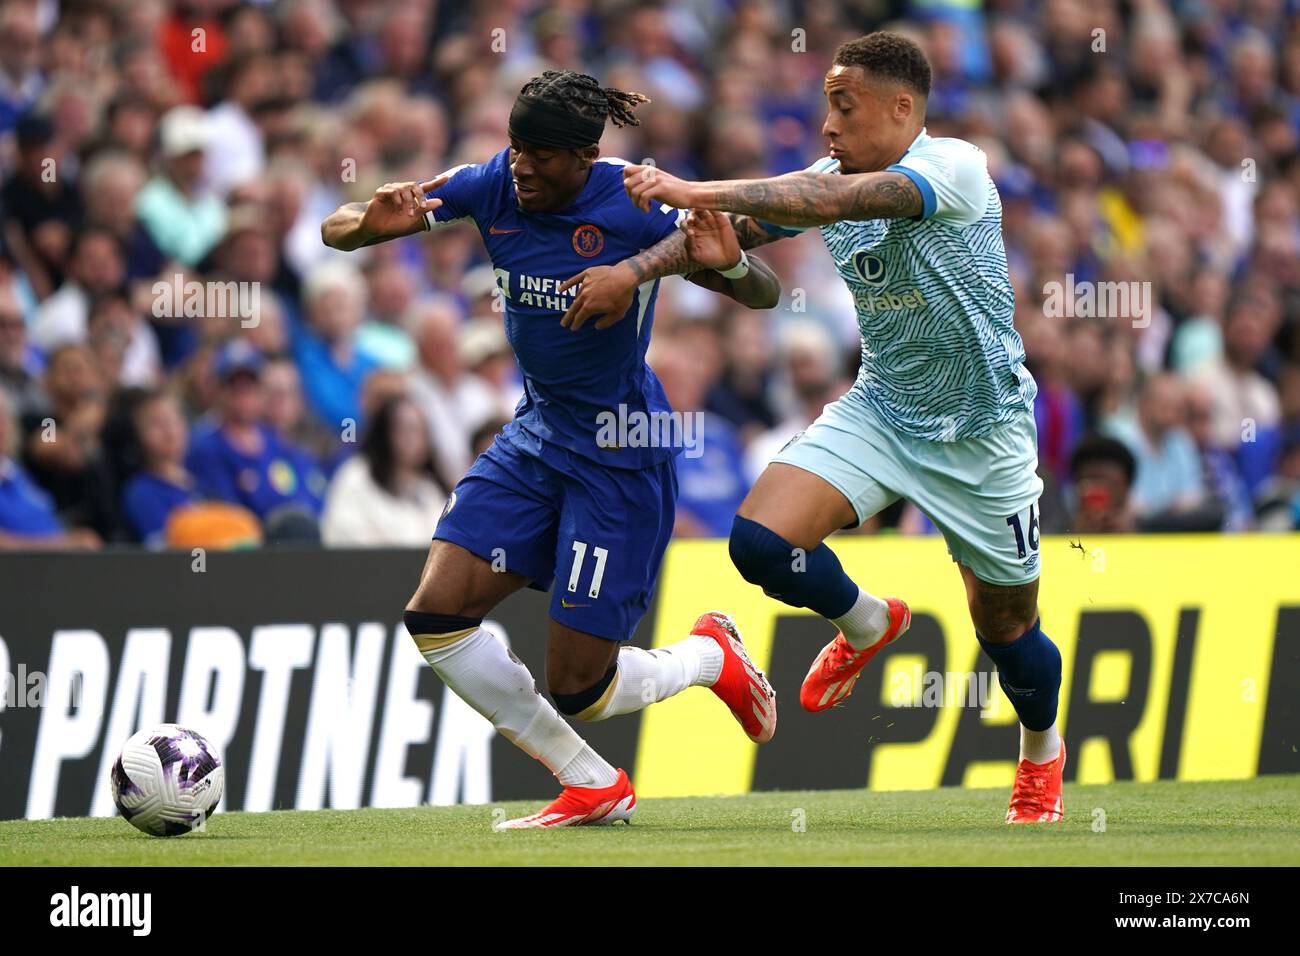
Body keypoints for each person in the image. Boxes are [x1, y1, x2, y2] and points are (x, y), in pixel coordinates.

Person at [575, 33, 1065, 823]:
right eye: (826, 106)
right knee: (760, 544)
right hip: (882, 408)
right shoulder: (822, 178)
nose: (829, 126)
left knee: (1006, 630)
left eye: (846, 105)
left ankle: (1041, 752)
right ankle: (868, 621)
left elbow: (836, 203)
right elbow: (739, 258)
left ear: (902, 109)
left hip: (983, 430)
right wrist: (649, 269)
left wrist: (695, 187)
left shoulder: (954, 168)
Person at [322, 69, 782, 828]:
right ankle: (592, 783)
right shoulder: (489, 185)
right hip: (536, 436)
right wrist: (368, 224)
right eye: (514, 147)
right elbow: (333, 229)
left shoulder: (638, 201)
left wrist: (723, 261)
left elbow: (758, 289)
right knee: (436, 614)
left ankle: (708, 657)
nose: (521, 166)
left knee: (582, 689)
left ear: (584, 156)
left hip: (620, 454)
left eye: (539, 154)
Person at [186, 339, 326, 527]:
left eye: (250, 386)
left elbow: (310, 499)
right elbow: (224, 512)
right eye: (234, 387)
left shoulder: (280, 444)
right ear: (219, 391)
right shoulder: (206, 448)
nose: (243, 395)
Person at [320, 395, 449, 546]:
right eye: (404, 429)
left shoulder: (429, 489)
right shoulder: (355, 475)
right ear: (384, 432)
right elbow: (342, 534)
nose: (411, 439)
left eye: (419, 431)